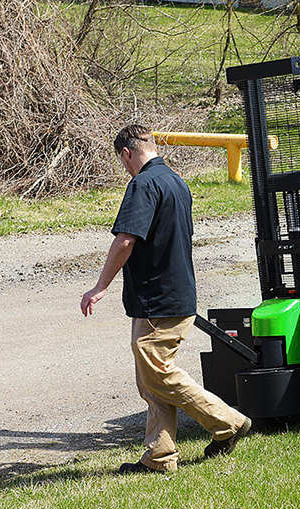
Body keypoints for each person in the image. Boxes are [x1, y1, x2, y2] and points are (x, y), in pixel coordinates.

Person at [81, 124, 251, 474]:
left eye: (123, 161)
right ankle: (159, 457)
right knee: (150, 379)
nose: (125, 167)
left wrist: (100, 286)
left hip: (158, 300)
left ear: (127, 153)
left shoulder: (142, 185)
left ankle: (228, 422)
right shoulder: (177, 182)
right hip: (173, 295)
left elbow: (126, 240)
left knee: (158, 374)